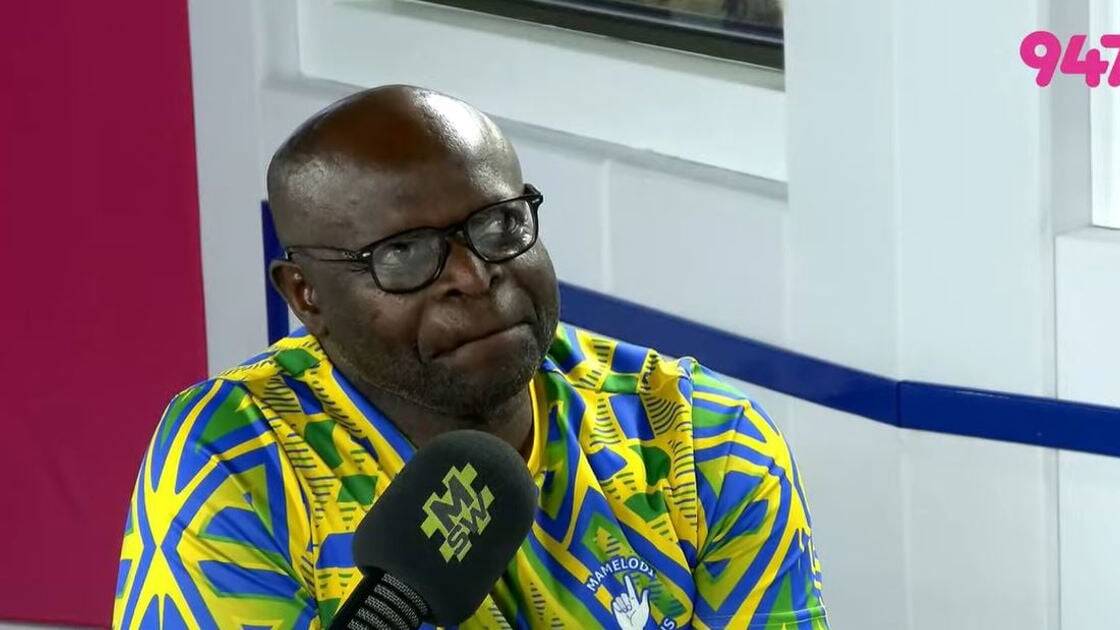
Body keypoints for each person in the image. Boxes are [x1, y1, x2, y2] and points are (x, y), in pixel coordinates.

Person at [112, 85, 828, 629]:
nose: (474, 275)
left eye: (499, 223)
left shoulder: (700, 438)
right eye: (403, 253)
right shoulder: (238, 458)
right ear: (308, 297)